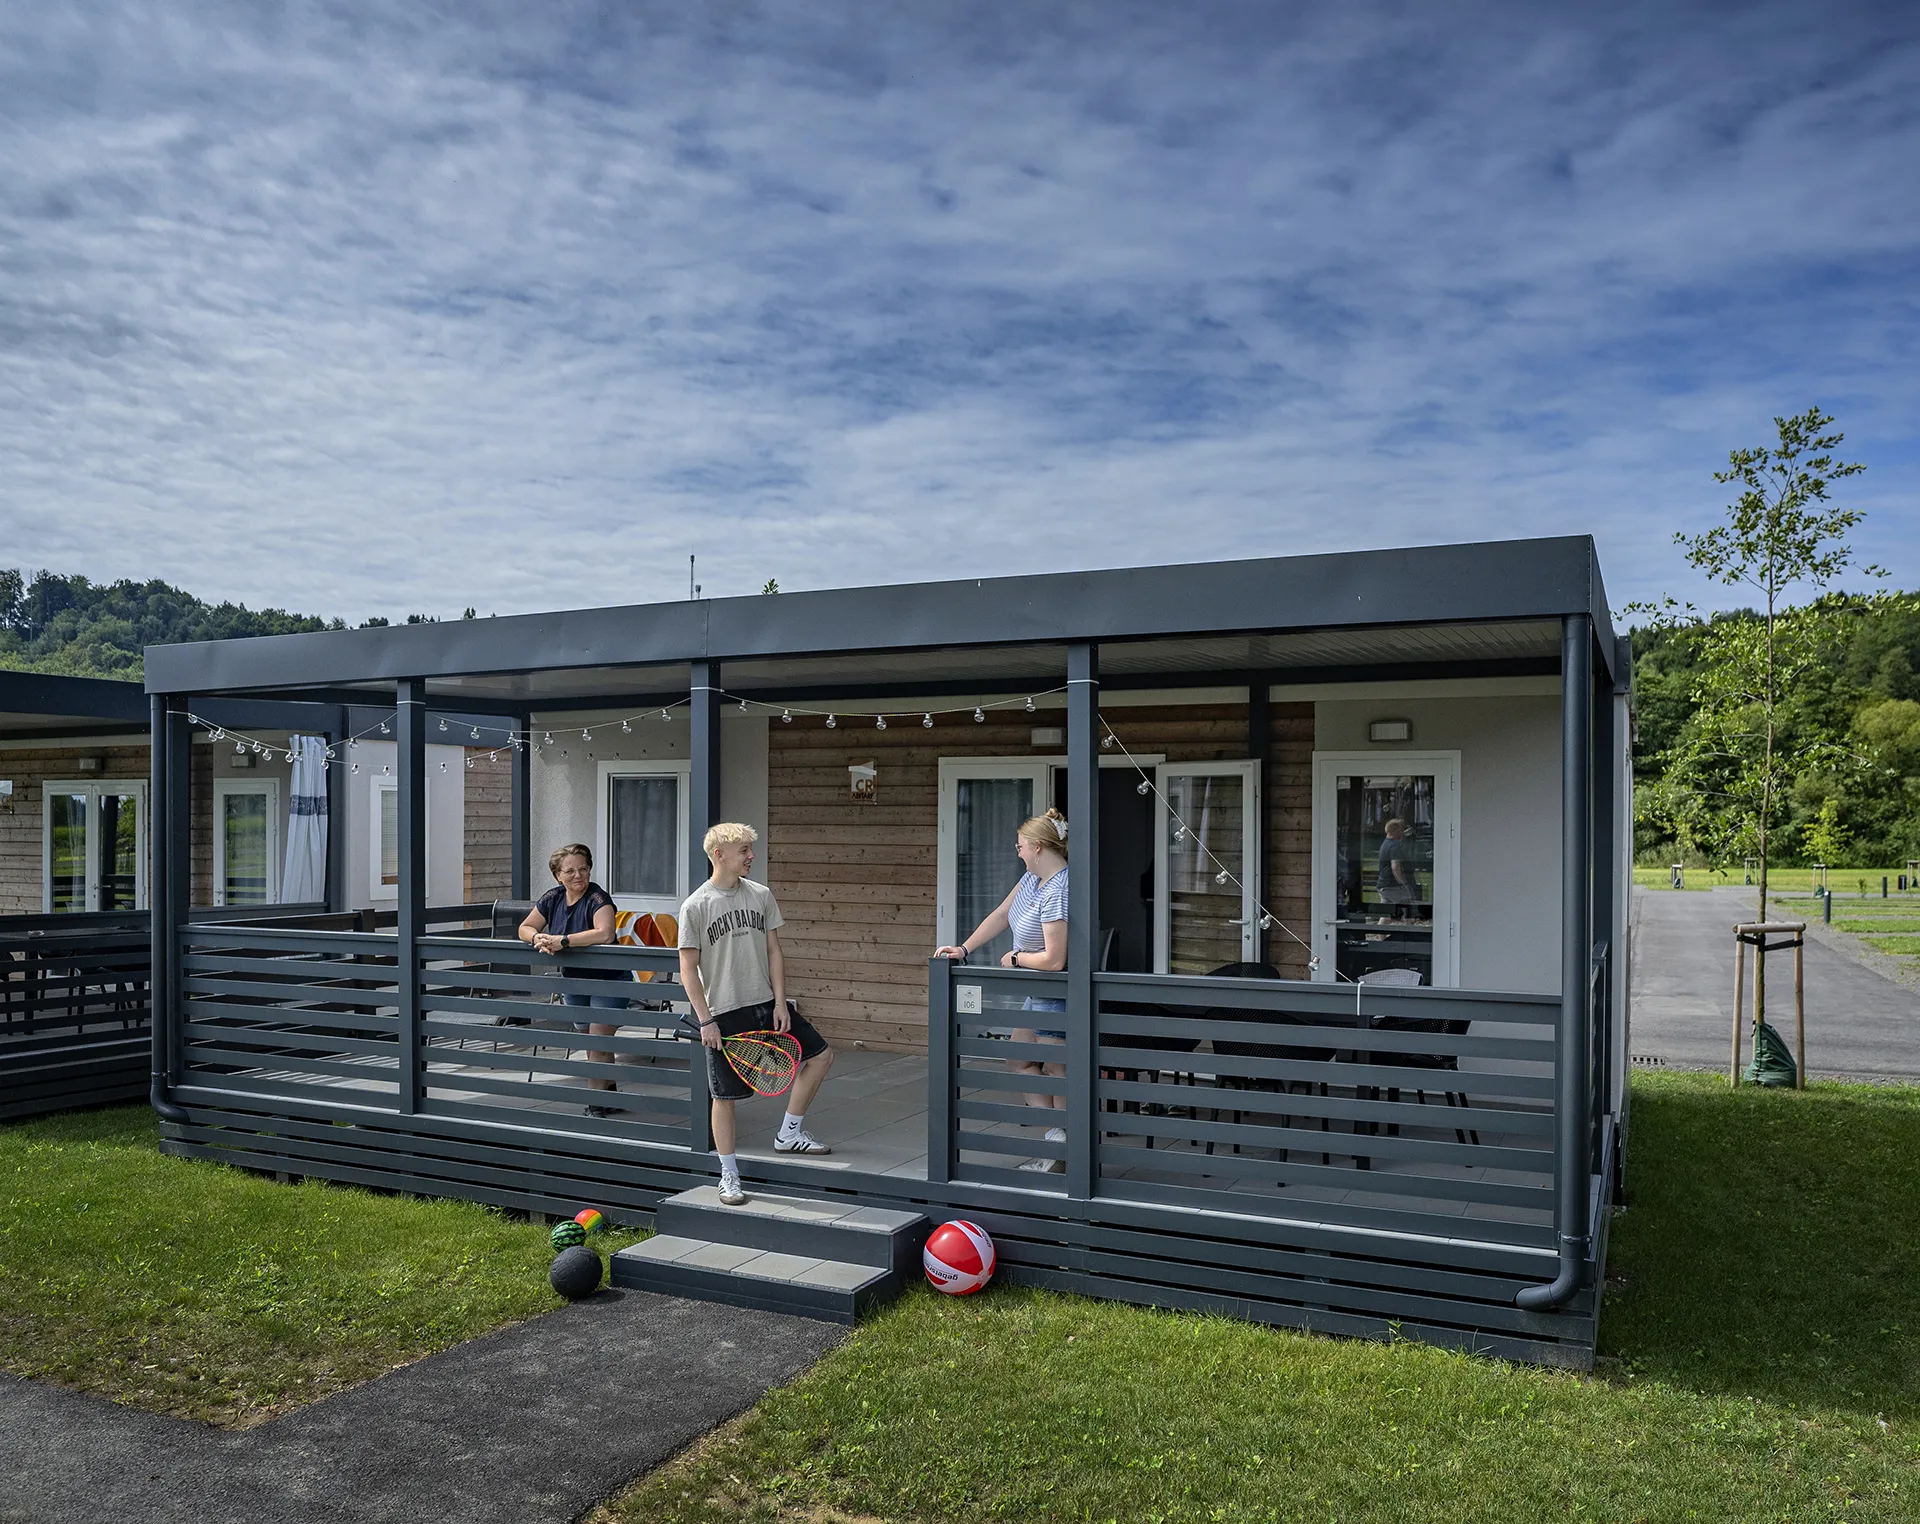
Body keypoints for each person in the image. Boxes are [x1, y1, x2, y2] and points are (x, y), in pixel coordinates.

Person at [678, 822, 834, 1207]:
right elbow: (687, 969)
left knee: (821, 1056)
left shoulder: (761, 895)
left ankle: (789, 1134)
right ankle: (729, 1175)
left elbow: (774, 952)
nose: (751, 856)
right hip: (723, 1014)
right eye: (744, 850)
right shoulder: (695, 905)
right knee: (725, 1097)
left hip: (766, 1005)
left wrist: (781, 1002)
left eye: (750, 849)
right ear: (719, 855)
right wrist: (705, 1020)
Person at [935, 807, 1069, 1173]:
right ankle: (1058, 1139)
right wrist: (964, 948)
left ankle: (1067, 1156)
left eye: (1022, 844)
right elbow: (1000, 914)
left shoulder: (1059, 889)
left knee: (1060, 1072)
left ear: (1039, 847)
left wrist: (1017, 959)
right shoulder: (1031, 880)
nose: (1017, 849)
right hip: (1035, 993)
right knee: (1018, 1059)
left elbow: (1056, 959)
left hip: (1055, 993)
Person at [519, 844, 630, 1118]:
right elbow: (524, 927)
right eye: (570, 871)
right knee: (592, 1042)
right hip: (575, 982)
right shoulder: (553, 898)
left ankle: (594, 1106)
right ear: (558, 875)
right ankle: (609, 1093)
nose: (578, 875)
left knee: (598, 1042)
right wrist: (538, 938)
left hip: (609, 980)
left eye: (583, 869)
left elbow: (605, 933)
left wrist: (563, 941)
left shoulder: (597, 898)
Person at [1377, 818, 1421, 915]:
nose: (1403, 833)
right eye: (1401, 830)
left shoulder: (1385, 844)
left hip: (1384, 886)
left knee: (1386, 915)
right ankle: (1407, 929)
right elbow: (1395, 867)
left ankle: (1379, 930)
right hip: (1394, 886)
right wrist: (1403, 883)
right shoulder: (1394, 846)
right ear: (1395, 831)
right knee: (1409, 912)